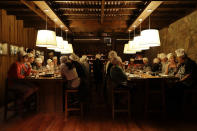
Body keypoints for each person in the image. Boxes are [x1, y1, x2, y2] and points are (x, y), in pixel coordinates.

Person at [167, 49, 197, 114]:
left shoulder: (190, 63)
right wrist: (176, 69)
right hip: (181, 81)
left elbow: (189, 75)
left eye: (178, 58)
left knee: (174, 87)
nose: (177, 59)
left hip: (189, 83)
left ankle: (176, 108)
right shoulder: (181, 63)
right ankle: (171, 106)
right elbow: (176, 73)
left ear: (181, 57)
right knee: (168, 86)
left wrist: (180, 81)